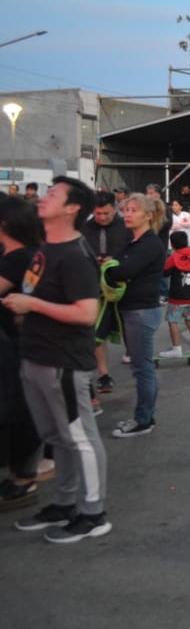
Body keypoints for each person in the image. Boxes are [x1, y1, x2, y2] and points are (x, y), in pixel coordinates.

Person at [6, 178, 110, 542]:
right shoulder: (45, 249)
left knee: (79, 437)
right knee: (57, 436)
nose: (43, 198)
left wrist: (31, 305)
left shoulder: (76, 256)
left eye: (53, 194)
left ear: (71, 209)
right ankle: (64, 504)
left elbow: (85, 313)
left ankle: (94, 512)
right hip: (36, 355)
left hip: (63, 362)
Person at [107, 194, 168, 438]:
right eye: (126, 210)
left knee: (142, 369)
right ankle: (145, 416)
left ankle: (143, 419)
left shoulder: (150, 244)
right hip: (132, 309)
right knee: (140, 367)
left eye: (133, 210)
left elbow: (122, 270)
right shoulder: (133, 242)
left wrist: (112, 267)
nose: (127, 214)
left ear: (148, 215)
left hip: (141, 311)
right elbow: (118, 266)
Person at [0, 197, 43, 511]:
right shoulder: (22, 256)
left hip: (18, 348)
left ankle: (22, 479)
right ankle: (21, 475)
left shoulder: (19, 259)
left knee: (18, 413)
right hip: (19, 347)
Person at [82, 190, 129, 394]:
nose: (102, 218)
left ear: (114, 209)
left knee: (129, 328)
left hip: (122, 287)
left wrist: (116, 260)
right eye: (98, 213)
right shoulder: (84, 227)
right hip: (93, 286)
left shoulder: (126, 226)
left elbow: (134, 253)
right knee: (97, 333)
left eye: (106, 214)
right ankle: (103, 374)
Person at [158, 230, 190, 362]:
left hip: (177, 297)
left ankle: (176, 349)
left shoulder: (173, 258)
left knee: (173, 321)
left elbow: (164, 274)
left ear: (172, 245)